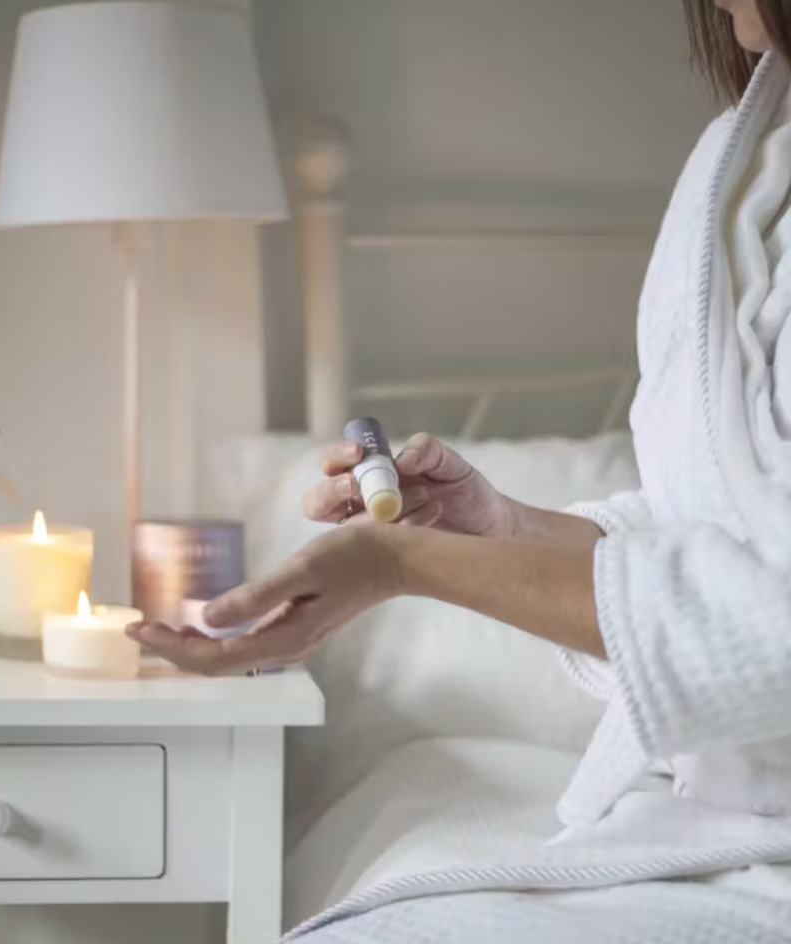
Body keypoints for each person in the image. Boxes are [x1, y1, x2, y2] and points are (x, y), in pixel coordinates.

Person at [130, 1, 791, 940]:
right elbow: (720, 526)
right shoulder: (746, 168)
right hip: (728, 816)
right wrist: (500, 531)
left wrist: (405, 566)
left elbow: (771, 606)